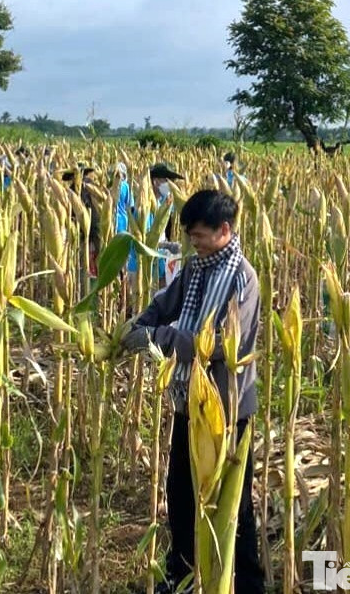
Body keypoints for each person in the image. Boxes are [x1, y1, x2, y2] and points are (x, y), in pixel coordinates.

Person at [120, 190, 264, 594]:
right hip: (189, 401)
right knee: (180, 495)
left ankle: (247, 583)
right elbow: (167, 302)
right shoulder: (196, 268)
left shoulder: (242, 278)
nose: (193, 243)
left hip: (227, 406)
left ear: (224, 230)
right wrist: (142, 321)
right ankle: (183, 575)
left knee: (234, 505)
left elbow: (219, 343)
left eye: (199, 235)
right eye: (190, 236)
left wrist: (160, 337)